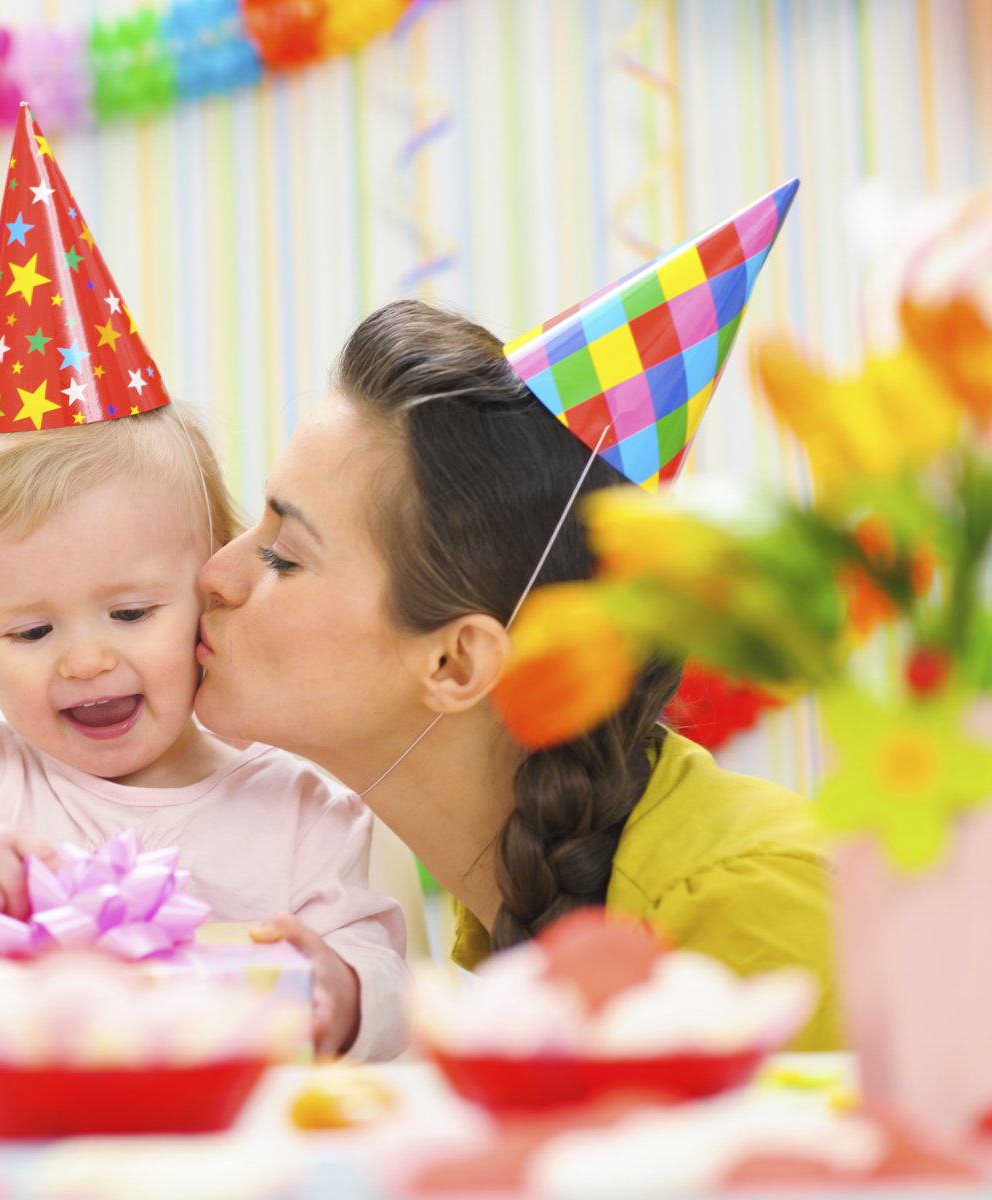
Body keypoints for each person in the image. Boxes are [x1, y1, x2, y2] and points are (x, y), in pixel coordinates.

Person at [0, 105, 409, 1061]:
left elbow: (386, 978)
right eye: (28, 633)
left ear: (210, 587)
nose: (86, 659)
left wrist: (339, 986)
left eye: (131, 612)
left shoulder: (300, 801)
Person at [195, 182, 841, 1051]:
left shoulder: (749, 908)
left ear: (457, 664)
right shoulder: (499, 906)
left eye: (282, 555)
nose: (214, 573)